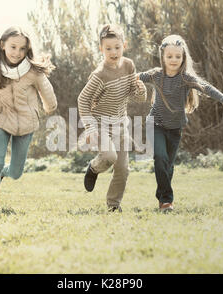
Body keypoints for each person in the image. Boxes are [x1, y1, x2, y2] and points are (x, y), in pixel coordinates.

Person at [137, 34, 223, 212]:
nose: (173, 60)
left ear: (183, 58)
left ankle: (162, 195)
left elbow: (206, 87)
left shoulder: (186, 78)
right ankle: (167, 201)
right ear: (163, 57)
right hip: (155, 124)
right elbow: (133, 77)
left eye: (178, 56)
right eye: (169, 56)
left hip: (175, 128)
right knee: (160, 158)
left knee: (168, 165)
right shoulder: (155, 75)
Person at [0, 26, 57, 214]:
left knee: (16, 172)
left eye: (22, 49)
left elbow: (47, 92)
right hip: (1, 120)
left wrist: (49, 107)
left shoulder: (33, 71)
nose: (17, 53)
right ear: (3, 45)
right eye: (13, 47)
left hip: (26, 124)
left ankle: (5, 173)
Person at [78, 24, 147, 212]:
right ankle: (93, 168)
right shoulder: (99, 75)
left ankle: (113, 205)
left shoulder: (129, 65)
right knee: (109, 156)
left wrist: (142, 91)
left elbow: (137, 95)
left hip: (120, 125)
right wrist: (90, 129)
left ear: (124, 45)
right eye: (108, 48)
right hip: (101, 126)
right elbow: (83, 100)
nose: (113, 52)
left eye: (117, 47)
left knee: (123, 169)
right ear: (101, 49)